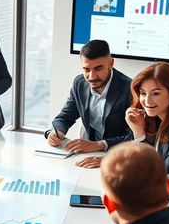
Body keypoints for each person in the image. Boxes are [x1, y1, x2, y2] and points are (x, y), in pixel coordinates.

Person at [46, 39, 131, 169]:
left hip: (118, 155)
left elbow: (134, 136)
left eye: (98, 68)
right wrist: (58, 131)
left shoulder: (130, 88)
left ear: (111, 63)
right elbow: (65, 117)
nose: (91, 76)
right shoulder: (79, 83)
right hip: (86, 153)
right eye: (86, 69)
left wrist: (99, 144)